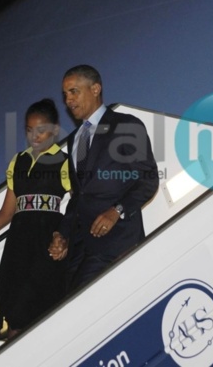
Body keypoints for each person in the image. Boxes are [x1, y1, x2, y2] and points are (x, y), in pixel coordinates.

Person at [0, 98, 70, 340]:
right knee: (14, 313)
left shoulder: (64, 162)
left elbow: (79, 204)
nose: (34, 136)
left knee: (38, 307)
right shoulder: (18, 162)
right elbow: (6, 213)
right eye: (29, 130)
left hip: (45, 244)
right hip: (18, 245)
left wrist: (64, 236)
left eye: (41, 130)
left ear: (55, 130)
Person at [48, 65, 159, 290]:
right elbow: (79, 196)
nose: (68, 100)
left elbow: (148, 180)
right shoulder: (75, 139)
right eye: (65, 94)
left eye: (73, 91)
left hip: (118, 242)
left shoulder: (126, 125)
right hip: (82, 249)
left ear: (96, 89)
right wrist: (62, 233)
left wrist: (116, 211)